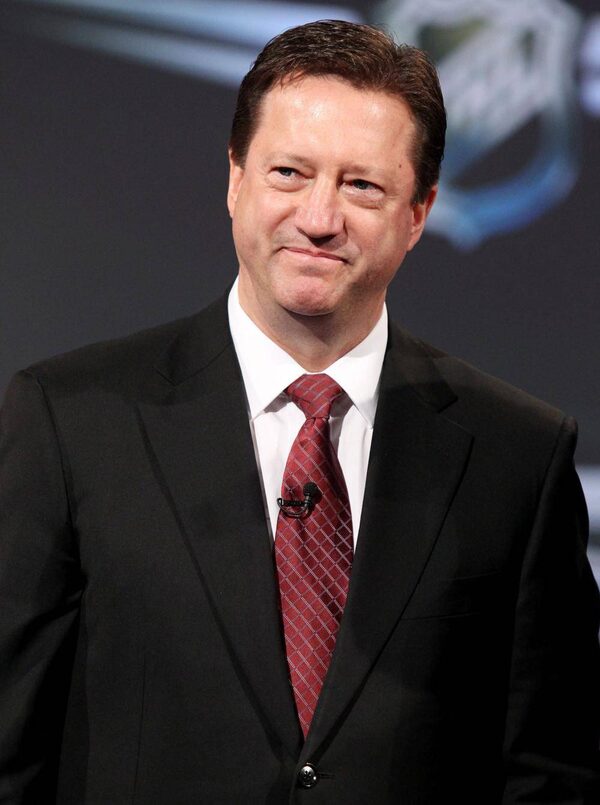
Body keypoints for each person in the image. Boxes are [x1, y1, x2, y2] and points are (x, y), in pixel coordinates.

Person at [0, 18, 598, 804]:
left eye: (362, 186)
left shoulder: (517, 455)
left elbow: (551, 773)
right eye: (289, 172)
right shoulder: (71, 419)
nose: (319, 217)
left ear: (418, 212)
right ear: (235, 179)